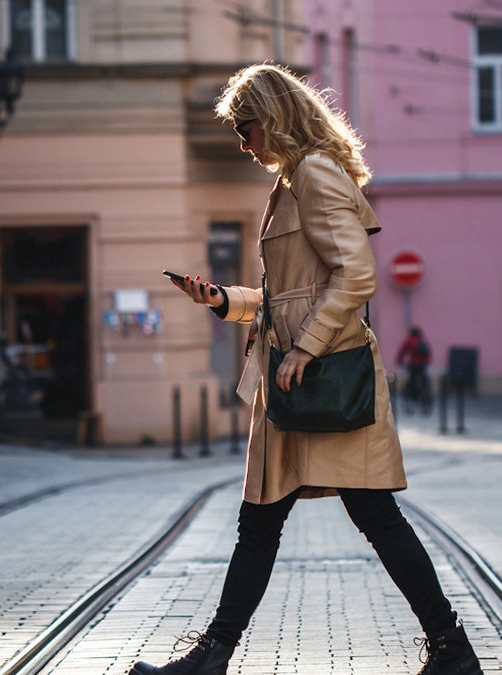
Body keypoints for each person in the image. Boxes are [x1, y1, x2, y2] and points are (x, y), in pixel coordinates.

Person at [136, 64, 481, 675]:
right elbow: (289, 296)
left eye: (246, 128)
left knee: (355, 518)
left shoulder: (315, 175)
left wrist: (304, 348)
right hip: (298, 382)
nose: (243, 144)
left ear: (274, 118)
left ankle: (450, 648)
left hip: (321, 377)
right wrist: (223, 300)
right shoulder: (293, 180)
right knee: (267, 521)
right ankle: (216, 653)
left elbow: (358, 275)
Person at [396, 326, 433, 414]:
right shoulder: (422, 340)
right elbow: (428, 354)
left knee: (411, 384)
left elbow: (402, 351)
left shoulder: (409, 340)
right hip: (423, 365)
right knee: (424, 385)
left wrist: (400, 361)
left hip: (414, 365)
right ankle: (426, 405)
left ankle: (411, 404)